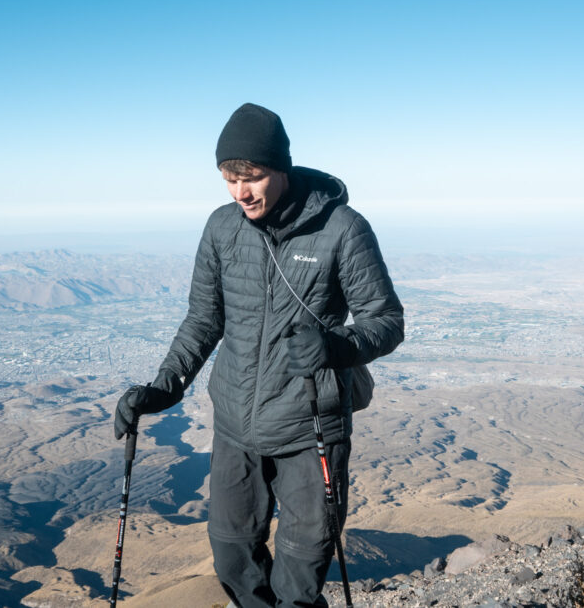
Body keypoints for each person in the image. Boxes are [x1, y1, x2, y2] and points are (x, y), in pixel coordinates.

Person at [113, 103, 404, 607]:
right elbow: (203, 320)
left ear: (280, 169)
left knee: (300, 568)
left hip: (309, 426)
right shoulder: (223, 228)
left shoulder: (342, 229)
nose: (241, 191)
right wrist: (164, 387)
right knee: (230, 555)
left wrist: (337, 346)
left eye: (252, 177)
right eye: (229, 178)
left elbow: (386, 321)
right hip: (234, 425)